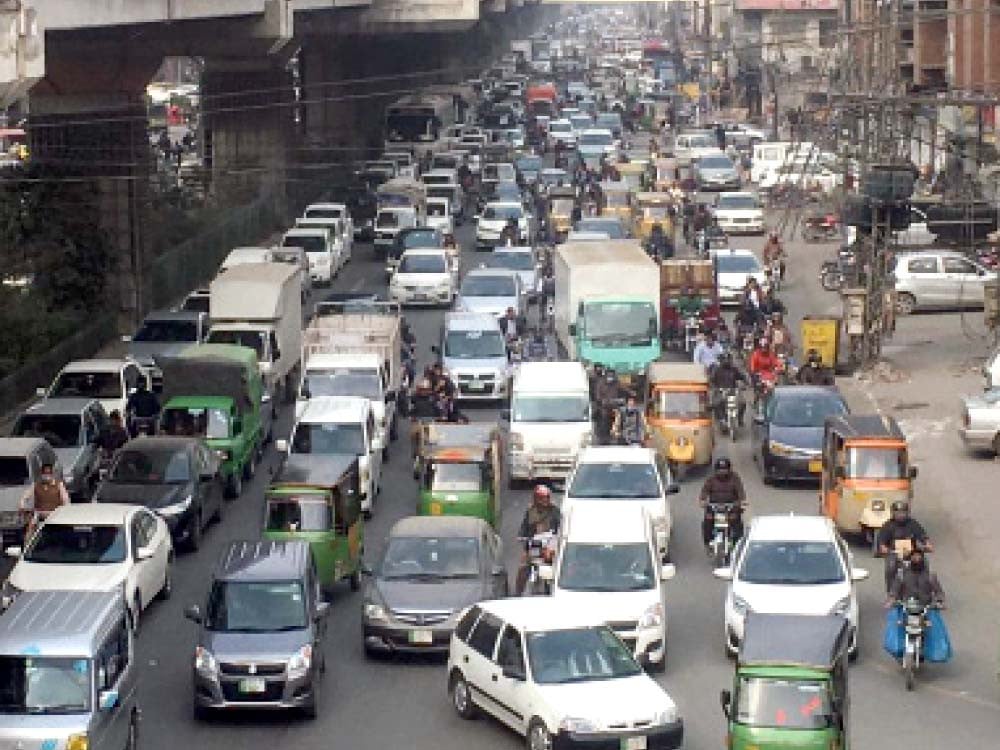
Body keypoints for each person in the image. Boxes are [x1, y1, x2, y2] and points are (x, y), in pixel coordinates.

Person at [515, 485, 562, 594]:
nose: (544, 501)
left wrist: (556, 538)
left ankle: (551, 589)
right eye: (542, 498)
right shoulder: (530, 511)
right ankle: (518, 593)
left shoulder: (555, 511)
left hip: (549, 545)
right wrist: (521, 537)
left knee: (553, 566)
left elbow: (559, 527)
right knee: (523, 568)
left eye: (546, 498)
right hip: (533, 545)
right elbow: (524, 527)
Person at [877, 501, 933, 592]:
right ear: (893, 513)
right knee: (891, 567)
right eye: (898, 513)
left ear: (907, 513)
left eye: (903, 512)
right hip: (894, 553)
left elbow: (922, 535)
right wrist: (884, 548)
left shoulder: (913, 524)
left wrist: (927, 544)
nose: (901, 515)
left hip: (912, 553)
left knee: (924, 563)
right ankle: (891, 592)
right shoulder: (888, 526)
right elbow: (882, 541)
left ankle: (926, 589)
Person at [698, 457, 747, 552]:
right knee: (707, 523)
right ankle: (708, 543)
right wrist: (702, 500)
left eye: (724, 470)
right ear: (716, 470)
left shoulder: (735, 478)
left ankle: (738, 545)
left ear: (729, 470)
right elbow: (704, 491)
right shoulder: (711, 479)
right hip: (714, 507)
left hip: (731, 507)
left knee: (737, 524)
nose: (722, 472)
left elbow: (741, 491)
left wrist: (742, 501)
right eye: (720, 470)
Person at [20, 462, 70, 535]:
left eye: (49, 473)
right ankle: (28, 543)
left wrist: (64, 510)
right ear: (41, 474)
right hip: (39, 514)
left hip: (54, 514)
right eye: (45, 473)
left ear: (52, 474)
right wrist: (22, 504)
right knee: (30, 527)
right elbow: (25, 496)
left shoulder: (59, 485)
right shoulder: (36, 485)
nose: (47, 476)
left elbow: (66, 500)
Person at [710, 352, 748, 426]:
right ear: (721, 360)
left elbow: (742, 377)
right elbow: (711, 380)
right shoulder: (716, 370)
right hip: (720, 391)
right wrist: (715, 388)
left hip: (733, 391)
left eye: (728, 359)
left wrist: (745, 383)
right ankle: (722, 420)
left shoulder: (734, 369)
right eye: (724, 359)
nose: (726, 361)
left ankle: (740, 419)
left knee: (743, 403)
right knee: (716, 404)